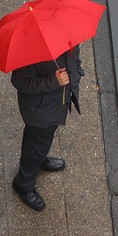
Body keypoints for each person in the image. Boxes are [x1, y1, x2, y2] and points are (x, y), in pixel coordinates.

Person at [10, 45, 84, 210]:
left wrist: (76, 73)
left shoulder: (68, 37)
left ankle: (39, 159)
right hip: (40, 113)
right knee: (37, 146)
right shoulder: (31, 50)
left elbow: (75, 58)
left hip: (55, 105)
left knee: (36, 142)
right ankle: (23, 185)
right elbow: (20, 81)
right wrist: (54, 81)